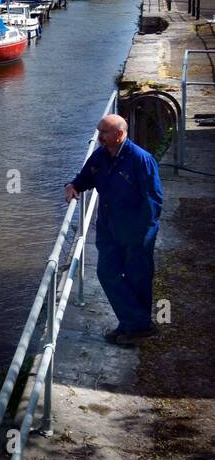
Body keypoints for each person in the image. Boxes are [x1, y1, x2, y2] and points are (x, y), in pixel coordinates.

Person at [64, 114, 164, 346]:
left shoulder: (141, 160)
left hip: (136, 233)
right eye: (99, 131)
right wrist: (72, 186)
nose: (99, 137)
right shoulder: (101, 155)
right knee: (107, 272)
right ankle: (138, 324)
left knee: (137, 278)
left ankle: (132, 326)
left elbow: (153, 201)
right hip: (108, 229)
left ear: (119, 135)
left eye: (104, 133)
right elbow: (86, 177)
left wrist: (142, 235)